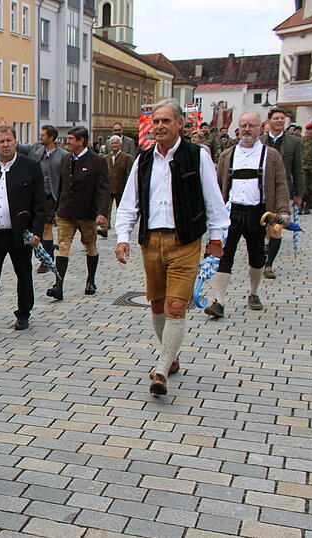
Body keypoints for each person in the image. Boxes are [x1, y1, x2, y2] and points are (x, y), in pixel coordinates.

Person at [115, 98, 229, 396]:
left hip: (185, 241)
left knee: (176, 305)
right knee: (156, 304)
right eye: (155, 121)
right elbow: (129, 203)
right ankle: (171, 355)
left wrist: (216, 240)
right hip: (151, 241)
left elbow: (214, 200)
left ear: (180, 123)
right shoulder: (143, 160)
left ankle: (162, 370)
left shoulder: (197, 155)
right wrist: (122, 236)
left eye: (166, 120)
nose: (159, 126)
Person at [205, 112, 291, 318]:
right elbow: (217, 187)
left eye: (251, 125)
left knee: (257, 256)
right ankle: (219, 301)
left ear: (260, 128)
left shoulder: (271, 155)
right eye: (243, 125)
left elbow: (280, 184)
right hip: (231, 212)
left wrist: (283, 212)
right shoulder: (227, 155)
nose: (247, 129)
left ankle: (253, 292)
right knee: (224, 256)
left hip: (259, 213)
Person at [0, 125, 45, 330]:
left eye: (9, 140)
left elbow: (39, 203)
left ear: (16, 142)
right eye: (1, 141)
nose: (5, 145)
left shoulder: (30, 166)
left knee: (23, 274)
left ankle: (23, 313)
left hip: (20, 233)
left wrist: (37, 232)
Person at [48, 126, 110, 300]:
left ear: (81, 140)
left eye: (70, 139)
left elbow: (103, 189)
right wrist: (57, 207)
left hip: (87, 213)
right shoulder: (66, 159)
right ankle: (58, 286)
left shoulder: (97, 161)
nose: (67, 142)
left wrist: (102, 212)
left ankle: (91, 280)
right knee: (63, 245)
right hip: (66, 212)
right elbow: (62, 185)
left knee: (90, 245)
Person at [260, 107, 303, 280]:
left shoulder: (293, 142)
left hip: (281, 190)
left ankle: (269, 265)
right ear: (269, 121)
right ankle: (262, 252)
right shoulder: (260, 141)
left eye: (282, 118)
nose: (280, 121)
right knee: (263, 227)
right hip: (261, 190)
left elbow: (297, 168)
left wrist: (299, 193)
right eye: (276, 118)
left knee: (277, 227)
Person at [18, 125, 66, 273]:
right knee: (34, 227)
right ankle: (45, 252)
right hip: (34, 194)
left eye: (43, 135)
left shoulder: (62, 155)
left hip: (51, 195)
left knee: (46, 227)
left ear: (51, 138)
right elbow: (20, 147)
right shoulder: (36, 148)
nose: (40, 137)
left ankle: (47, 259)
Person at [104, 135, 134, 237]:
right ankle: (104, 228)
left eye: (116, 143)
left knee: (121, 210)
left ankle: (121, 229)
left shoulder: (127, 157)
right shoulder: (105, 158)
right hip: (108, 188)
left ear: (120, 145)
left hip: (121, 187)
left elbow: (130, 173)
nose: (114, 145)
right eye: (113, 143)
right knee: (106, 208)